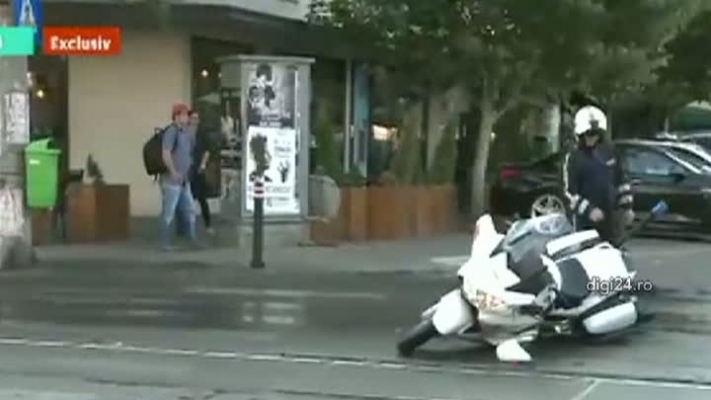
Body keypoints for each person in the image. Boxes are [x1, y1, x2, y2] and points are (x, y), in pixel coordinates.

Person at [562, 105, 634, 244]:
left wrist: (627, 208)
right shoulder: (573, 157)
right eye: (588, 134)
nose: (591, 138)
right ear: (580, 134)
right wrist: (589, 210)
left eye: (595, 134)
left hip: (609, 217)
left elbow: (622, 181)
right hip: (583, 221)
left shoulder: (610, 152)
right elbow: (568, 192)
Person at [160, 103, 198, 250]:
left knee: (190, 209)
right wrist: (173, 171)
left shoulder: (186, 132)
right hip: (172, 180)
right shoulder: (171, 132)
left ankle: (192, 239)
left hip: (183, 179)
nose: (187, 117)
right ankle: (164, 243)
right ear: (177, 116)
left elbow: (188, 152)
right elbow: (166, 153)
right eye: (185, 114)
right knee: (168, 212)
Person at [189, 110, 215, 235]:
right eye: (193, 118)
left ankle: (208, 224)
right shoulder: (184, 132)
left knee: (202, 198)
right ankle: (184, 227)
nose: (195, 121)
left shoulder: (202, 133)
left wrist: (203, 164)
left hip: (198, 169)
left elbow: (207, 150)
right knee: (185, 199)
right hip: (187, 169)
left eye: (196, 118)